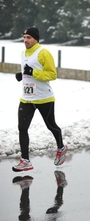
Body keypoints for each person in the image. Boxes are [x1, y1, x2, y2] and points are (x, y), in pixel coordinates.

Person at [13, 27, 68, 172]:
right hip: (26, 98)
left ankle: (61, 147)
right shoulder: (23, 53)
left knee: (51, 126)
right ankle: (25, 160)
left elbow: (52, 74)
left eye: (29, 37)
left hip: (44, 97)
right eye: (24, 37)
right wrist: (22, 75)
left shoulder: (43, 53)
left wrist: (33, 72)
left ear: (36, 39)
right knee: (22, 128)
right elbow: (28, 70)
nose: (26, 40)